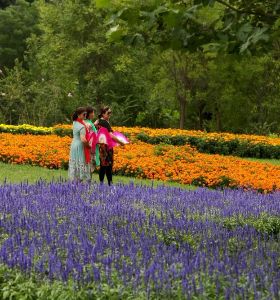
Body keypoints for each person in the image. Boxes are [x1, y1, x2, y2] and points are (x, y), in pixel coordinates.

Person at [96, 106, 124, 185]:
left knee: (104, 166)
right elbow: (111, 135)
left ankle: (104, 183)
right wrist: (120, 142)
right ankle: (109, 183)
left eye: (110, 113)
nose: (109, 115)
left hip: (102, 147)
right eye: (108, 113)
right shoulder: (104, 122)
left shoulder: (99, 121)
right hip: (106, 147)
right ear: (103, 114)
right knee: (107, 166)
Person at [68, 107, 91, 182]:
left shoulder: (75, 122)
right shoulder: (82, 126)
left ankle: (74, 179)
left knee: (75, 162)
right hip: (80, 145)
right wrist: (88, 145)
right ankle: (79, 180)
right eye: (84, 114)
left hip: (74, 143)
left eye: (86, 114)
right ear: (78, 114)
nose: (85, 116)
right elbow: (83, 139)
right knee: (80, 161)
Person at [84, 106, 100, 176]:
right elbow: (89, 133)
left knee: (90, 166)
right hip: (91, 147)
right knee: (89, 165)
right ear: (89, 114)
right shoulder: (88, 123)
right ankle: (86, 183)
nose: (93, 114)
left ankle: (86, 183)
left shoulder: (89, 122)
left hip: (92, 147)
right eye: (93, 112)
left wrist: (94, 124)